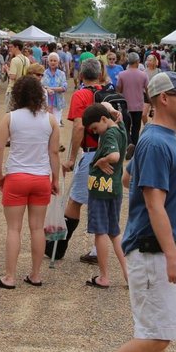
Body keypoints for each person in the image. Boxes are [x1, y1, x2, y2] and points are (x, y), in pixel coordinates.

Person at [64, 71, 176, 352]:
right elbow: (154, 203)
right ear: (162, 99)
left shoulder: (155, 139)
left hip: (151, 248)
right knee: (159, 336)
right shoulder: (155, 141)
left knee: (153, 334)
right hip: (152, 249)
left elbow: (127, 179)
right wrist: (171, 255)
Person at [0, 75, 60, 289]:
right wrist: (55, 178)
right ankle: (35, 274)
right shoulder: (50, 120)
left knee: (13, 229)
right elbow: (54, 152)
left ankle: (9, 276)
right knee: (37, 228)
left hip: (17, 176)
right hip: (40, 178)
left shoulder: (10, 118)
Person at [49, 59, 108, 262]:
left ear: (81, 76)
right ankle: (96, 248)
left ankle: (58, 246)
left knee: (75, 200)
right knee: (100, 199)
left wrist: (72, 158)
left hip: (91, 152)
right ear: (100, 75)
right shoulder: (109, 92)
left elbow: (79, 127)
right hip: (109, 152)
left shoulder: (81, 95)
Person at [83, 103, 130, 289]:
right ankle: (128, 274)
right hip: (114, 188)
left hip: (101, 189)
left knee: (100, 231)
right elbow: (108, 110)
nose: (95, 133)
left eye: (95, 128)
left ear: (103, 120)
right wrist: (113, 112)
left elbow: (115, 156)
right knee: (114, 232)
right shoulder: (120, 127)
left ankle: (104, 277)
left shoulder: (109, 134)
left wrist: (102, 160)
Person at [115, 52, 149, 147]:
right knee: (136, 127)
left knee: (126, 126)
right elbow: (147, 90)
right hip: (138, 105)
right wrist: (151, 103)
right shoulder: (143, 75)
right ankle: (134, 144)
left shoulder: (121, 75)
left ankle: (129, 143)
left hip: (125, 105)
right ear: (138, 61)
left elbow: (118, 90)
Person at [43, 52, 68, 125]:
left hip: (58, 103)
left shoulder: (61, 74)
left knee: (56, 124)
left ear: (58, 62)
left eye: (55, 60)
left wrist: (50, 88)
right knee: (46, 124)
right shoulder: (43, 73)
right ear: (48, 62)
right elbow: (40, 86)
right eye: (51, 60)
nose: (53, 62)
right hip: (46, 103)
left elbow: (64, 88)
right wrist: (47, 89)